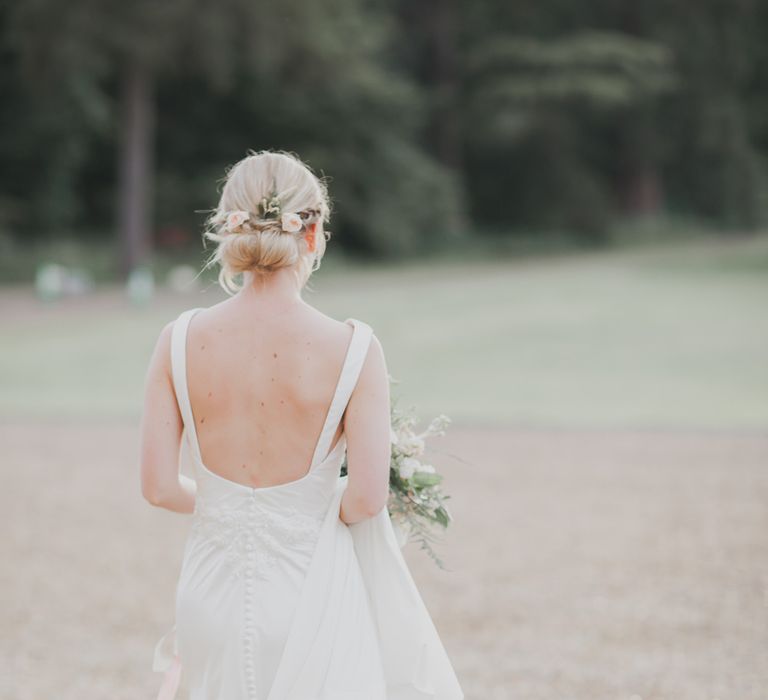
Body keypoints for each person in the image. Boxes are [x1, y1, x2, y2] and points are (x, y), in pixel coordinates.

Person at [138, 150, 464, 699]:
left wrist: (232, 506)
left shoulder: (177, 340)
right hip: (311, 589)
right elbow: (364, 500)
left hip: (208, 595)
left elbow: (159, 488)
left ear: (228, 229)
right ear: (312, 234)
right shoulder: (354, 348)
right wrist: (296, 509)